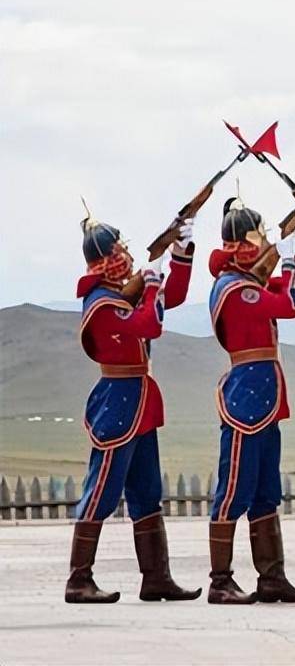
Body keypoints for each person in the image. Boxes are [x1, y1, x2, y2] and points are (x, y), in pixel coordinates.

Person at [68, 214, 199, 603]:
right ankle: (79, 578)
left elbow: (168, 299)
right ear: (104, 258)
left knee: (146, 491)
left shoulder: (118, 293)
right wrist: (152, 278)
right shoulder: (101, 302)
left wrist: (179, 253)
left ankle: (156, 577)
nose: (125, 254)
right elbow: (148, 323)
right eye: (117, 249)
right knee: (101, 491)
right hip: (118, 400)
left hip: (138, 400)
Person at [206, 199, 295, 604]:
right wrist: (288, 259)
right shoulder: (235, 288)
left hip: (266, 398)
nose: (262, 244)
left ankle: (271, 576)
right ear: (242, 242)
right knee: (233, 490)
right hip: (245, 398)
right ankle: (220, 582)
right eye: (257, 235)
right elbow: (291, 304)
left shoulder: (249, 282)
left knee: (264, 492)